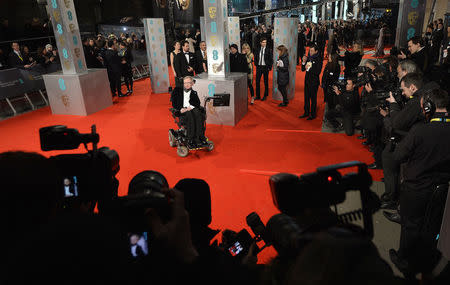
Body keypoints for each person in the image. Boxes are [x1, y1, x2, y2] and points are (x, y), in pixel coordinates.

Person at [390, 89, 450, 277]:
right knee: (432, 226)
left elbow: (398, 156)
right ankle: (425, 260)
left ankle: (404, 260)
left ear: (428, 107)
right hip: (442, 188)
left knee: (410, 225)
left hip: (416, 188)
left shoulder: (420, 130)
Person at [170, 76, 206, 148]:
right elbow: (173, 102)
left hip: (190, 108)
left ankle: (200, 136)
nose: (186, 84)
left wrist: (191, 107)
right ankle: (190, 138)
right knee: (190, 115)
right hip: (181, 109)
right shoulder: (177, 90)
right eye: (185, 83)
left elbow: (197, 103)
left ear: (192, 83)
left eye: (188, 83)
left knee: (198, 112)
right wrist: (180, 109)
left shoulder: (193, 92)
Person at [300, 44, 323, 120]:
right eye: (310, 50)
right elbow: (303, 69)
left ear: (316, 51)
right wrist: (303, 62)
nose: (310, 52)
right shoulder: (308, 58)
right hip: (307, 80)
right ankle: (306, 112)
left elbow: (318, 72)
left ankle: (313, 114)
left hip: (314, 82)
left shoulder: (319, 59)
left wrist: (310, 68)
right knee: (306, 98)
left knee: (313, 99)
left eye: (312, 50)